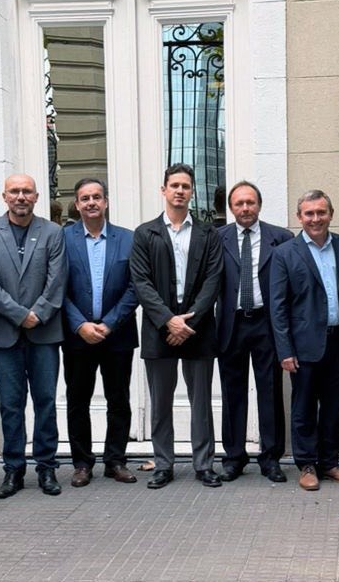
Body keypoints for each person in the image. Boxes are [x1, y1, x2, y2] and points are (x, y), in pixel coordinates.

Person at [129, 162, 224, 488]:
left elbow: (213, 279)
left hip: (198, 328)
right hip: (159, 330)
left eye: (185, 186)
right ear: (164, 190)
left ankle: (204, 465)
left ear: (192, 192)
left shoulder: (208, 234)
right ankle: (163, 465)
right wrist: (168, 321)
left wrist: (188, 321)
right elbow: (141, 282)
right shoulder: (145, 233)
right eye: (175, 186)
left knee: (201, 403)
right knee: (160, 403)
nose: (180, 191)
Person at [0, 172, 66, 498]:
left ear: (37, 197)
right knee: (11, 405)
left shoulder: (53, 232)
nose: (20, 197)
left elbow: (57, 281)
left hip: (44, 333)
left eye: (27, 191)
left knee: (46, 402)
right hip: (5, 335)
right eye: (14, 191)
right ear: (4, 196)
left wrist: (37, 314)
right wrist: (19, 315)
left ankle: (47, 467)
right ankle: (13, 469)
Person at [269, 189, 339, 492]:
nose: (315, 218)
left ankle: (330, 462)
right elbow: (278, 307)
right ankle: (307, 464)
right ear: (299, 217)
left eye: (321, 212)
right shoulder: (285, 253)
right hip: (303, 346)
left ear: (331, 214)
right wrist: (285, 350)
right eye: (309, 213)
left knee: (334, 406)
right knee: (304, 407)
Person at [61, 177, 139, 487]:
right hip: (77, 335)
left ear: (106, 202)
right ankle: (82, 463)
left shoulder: (128, 239)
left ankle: (115, 461)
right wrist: (80, 324)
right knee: (77, 401)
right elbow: (56, 287)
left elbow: (136, 286)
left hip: (117, 334)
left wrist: (109, 322)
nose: (91, 202)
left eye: (97, 197)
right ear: (77, 204)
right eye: (85, 198)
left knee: (118, 399)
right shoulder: (62, 239)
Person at [216, 180, 293, 483]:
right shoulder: (216, 238)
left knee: (270, 391)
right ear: (231, 208)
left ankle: (271, 458)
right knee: (232, 392)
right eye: (239, 203)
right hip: (231, 323)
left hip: (266, 323)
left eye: (250, 202)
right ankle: (234, 457)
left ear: (259, 204)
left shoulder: (281, 238)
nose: (245, 208)